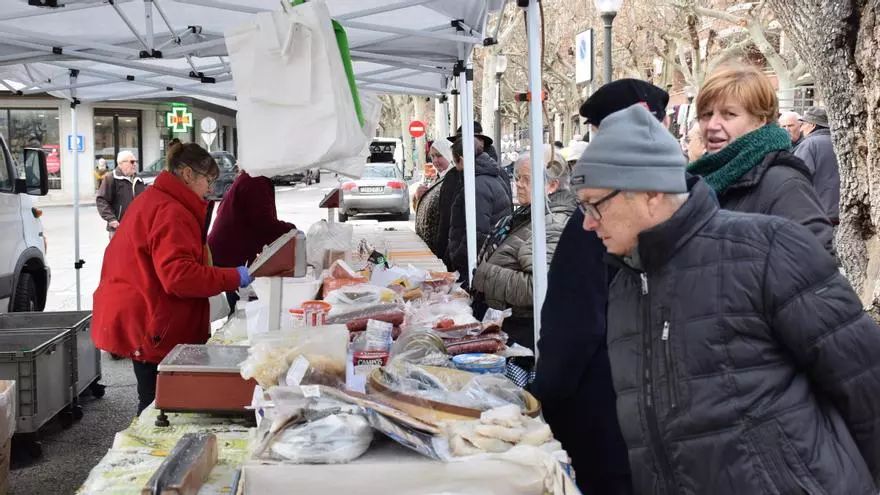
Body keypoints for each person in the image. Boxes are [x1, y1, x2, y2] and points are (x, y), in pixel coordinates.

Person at [572, 102, 880, 495]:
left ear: (650, 192)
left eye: (595, 204)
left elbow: (865, 383)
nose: (587, 222)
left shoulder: (767, 249)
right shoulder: (625, 286)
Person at [532, 78, 671, 495]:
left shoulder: (597, 221)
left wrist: (543, 397)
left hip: (603, 416)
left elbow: (573, 326)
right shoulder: (684, 206)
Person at [92, 142, 253, 414]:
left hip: (149, 316)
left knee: (156, 402)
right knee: (157, 407)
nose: (210, 189)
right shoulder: (171, 210)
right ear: (188, 174)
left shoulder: (159, 199)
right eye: (208, 180)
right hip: (153, 323)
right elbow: (179, 277)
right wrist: (233, 276)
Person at [687, 64, 834, 255]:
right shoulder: (701, 178)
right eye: (706, 115)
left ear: (760, 120)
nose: (712, 125)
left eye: (729, 114)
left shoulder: (784, 184)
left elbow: (815, 262)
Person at [471, 148, 576, 386]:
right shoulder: (530, 214)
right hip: (508, 327)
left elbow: (538, 287)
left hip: (524, 337)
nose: (518, 184)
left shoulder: (553, 222)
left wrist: (486, 275)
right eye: (518, 177)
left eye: (527, 179)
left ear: (551, 186)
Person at [207, 169, 296, 312]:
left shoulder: (251, 178)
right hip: (231, 255)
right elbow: (264, 223)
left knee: (240, 303)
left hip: (230, 251)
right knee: (241, 308)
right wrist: (291, 231)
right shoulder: (256, 181)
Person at [446, 139, 511, 287]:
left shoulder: (477, 185)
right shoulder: (492, 177)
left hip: (475, 264)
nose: (456, 167)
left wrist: (459, 257)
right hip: (488, 259)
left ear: (461, 159)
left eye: (455, 162)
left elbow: (478, 232)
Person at [795, 107, 840, 224]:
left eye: (803, 124)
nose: (801, 129)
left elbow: (798, 178)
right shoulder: (840, 142)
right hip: (842, 212)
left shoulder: (808, 145)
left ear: (812, 125)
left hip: (818, 213)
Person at [413, 139, 455, 259]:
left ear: (449, 155)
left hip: (444, 246)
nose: (435, 160)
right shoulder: (438, 178)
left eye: (439, 155)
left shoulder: (453, 178)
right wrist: (417, 197)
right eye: (432, 156)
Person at [96, 150, 145, 239]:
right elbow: (101, 200)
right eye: (132, 162)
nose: (135, 164)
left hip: (137, 227)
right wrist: (111, 219)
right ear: (121, 164)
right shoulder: (111, 178)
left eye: (135, 161)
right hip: (118, 227)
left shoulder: (138, 179)